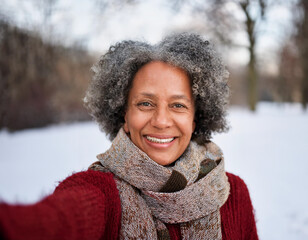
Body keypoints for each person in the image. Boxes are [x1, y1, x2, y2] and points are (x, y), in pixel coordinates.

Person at [0, 33, 258, 239]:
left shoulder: (233, 193)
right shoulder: (101, 192)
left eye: (178, 105)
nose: (161, 121)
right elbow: (53, 222)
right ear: (123, 113)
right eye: (145, 103)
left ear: (196, 117)